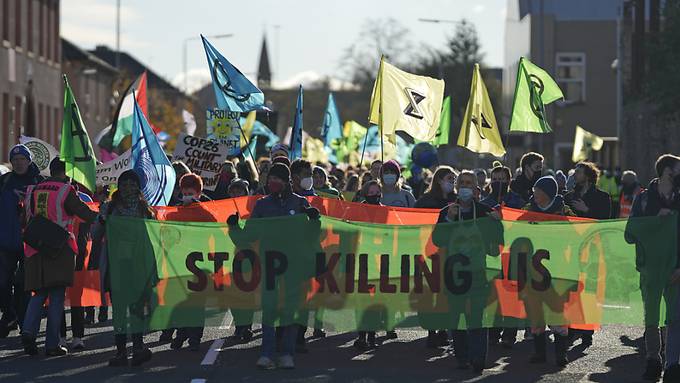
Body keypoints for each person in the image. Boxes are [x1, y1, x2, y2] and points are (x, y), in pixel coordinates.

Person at [227, 162, 320, 370]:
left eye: (277, 179)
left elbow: (311, 236)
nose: (272, 182)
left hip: (293, 265)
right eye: (270, 179)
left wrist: (314, 220)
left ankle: (287, 353)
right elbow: (248, 237)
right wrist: (233, 227)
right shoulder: (261, 205)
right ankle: (267, 353)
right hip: (269, 264)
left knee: (289, 309)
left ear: (286, 180)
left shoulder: (300, 203)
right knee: (269, 309)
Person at [20, 158, 98, 356]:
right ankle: (52, 344)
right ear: (66, 171)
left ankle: (28, 330)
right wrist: (102, 216)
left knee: (38, 293)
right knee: (56, 296)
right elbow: (83, 213)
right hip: (59, 248)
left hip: (35, 248)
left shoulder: (33, 189)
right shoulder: (65, 190)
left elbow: (24, 218)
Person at [435, 170, 500, 372]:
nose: (464, 186)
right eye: (461, 182)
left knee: (477, 317)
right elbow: (437, 240)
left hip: (478, 272)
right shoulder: (446, 211)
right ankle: (462, 357)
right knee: (456, 317)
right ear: (457, 187)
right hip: (454, 274)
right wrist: (448, 221)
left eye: (469, 183)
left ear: (475, 188)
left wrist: (497, 224)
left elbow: (495, 248)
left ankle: (478, 358)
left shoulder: (484, 211)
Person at [95, 170, 156, 366]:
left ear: (138, 187)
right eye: (124, 184)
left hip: (138, 265)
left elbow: (154, 236)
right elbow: (95, 234)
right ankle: (121, 352)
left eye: (132, 184)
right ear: (118, 187)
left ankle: (138, 348)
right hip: (117, 266)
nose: (128, 188)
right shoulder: (109, 208)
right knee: (120, 309)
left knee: (137, 307)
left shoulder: (145, 209)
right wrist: (102, 219)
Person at [628, 154, 680, 382]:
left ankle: (671, 364)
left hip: (676, 268)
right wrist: (655, 218)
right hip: (650, 267)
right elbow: (630, 233)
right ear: (667, 171)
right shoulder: (643, 200)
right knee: (651, 317)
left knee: (674, 318)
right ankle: (653, 361)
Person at [522, 176, 574, 367]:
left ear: (548, 194)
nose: (534, 195)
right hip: (533, 270)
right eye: (534, 191)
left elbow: (576, 234)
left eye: (538, 191)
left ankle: (561, 354)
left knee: (557, 312)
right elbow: (515, 229)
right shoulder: (528, 210)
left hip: (557, 270)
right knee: (536, 312)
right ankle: (539, 353)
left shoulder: (564, 211)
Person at [0, 144, 44, 338]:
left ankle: (23, 322)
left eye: (22, 160)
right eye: (15, 160)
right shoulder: (4, 181)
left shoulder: (39, 182)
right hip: (5, 241)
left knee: (23, 284)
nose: (18, 163)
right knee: (2, 283)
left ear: (29, 161)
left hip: (30, 242)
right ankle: (9, 314)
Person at [170, 174, 216, 351]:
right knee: (180, 301)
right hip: (180, 264)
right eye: (185, 192)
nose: (187, 195)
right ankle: (181, 333)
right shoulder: (174, 212)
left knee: (197, 301)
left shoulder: (206, 214)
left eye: (191, 192)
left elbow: (216, 236)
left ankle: (195, 336)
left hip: (199, 265)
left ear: (199, 193)